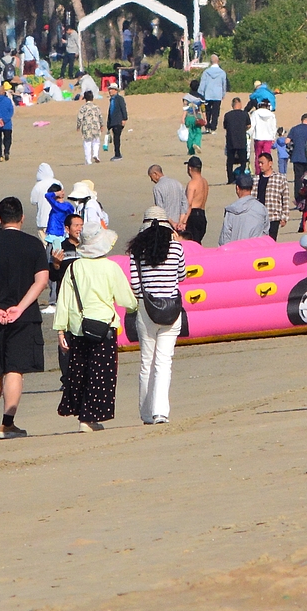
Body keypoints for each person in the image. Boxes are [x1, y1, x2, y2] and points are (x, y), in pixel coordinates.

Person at [0, 197, 50, 440]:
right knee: (14, 369)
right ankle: (8, 423)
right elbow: (42, 280)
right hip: (23, 316)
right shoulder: (33, 244)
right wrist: (20, 307)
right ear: (22, 218)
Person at [56, 223, 134, 431]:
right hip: (104, 326)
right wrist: (136, 306)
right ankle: (89, 417)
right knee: (101, 374)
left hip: (78, 327)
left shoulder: (74, 267)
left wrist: (60, 330)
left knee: (80, 372)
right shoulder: (111, 267)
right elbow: (127, 299)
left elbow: (64, 301)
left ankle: (83, 415)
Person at [126, 212, 186, 424]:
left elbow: (134, 284)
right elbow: (182, 275)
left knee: (146, 362)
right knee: (163, 361)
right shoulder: (177, 248)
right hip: (171, 308)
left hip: (146, 308)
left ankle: (145, 412)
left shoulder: (136, 251)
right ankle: (161, 411)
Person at [219, 168, 271, 243]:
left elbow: (224, 239)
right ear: (252, 188)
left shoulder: (231, 211)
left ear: (237, 188)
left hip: (235, 253)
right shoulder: (261, 208)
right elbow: (265, 235)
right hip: (256, 252)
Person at [253, 150, 293, 236]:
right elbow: (252, 197)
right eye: (259, 163)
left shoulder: (280, 178)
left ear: (270, 163)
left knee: (271, 242)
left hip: (273, 216)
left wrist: (284, 216)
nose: (260, 165)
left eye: (262, 163)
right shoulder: (256, 179)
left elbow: (285, 198)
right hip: (258, 216)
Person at [182, 156, 210, 243]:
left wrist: (184, 221)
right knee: (197, 242)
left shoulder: (192, 183)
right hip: (202, 215)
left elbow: (189, 203)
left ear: (190, 168)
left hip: (193, 215)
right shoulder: (205, 182)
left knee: (191, 244)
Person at [75, 92, 104, 165]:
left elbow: (80, 117)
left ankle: (88, 160)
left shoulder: (83, 107)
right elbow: (100, 116)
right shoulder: (96, 107)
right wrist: (101, 125)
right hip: (96, 126)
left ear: (85, 98)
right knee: (96, 141)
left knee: (87, 143)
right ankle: (95, 154)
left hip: (86, 127)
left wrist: (78, 126)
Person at [106, 85, 129, 160]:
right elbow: (110, 112)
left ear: (116, 90)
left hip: (118, 121)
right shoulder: (112, 100)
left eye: (112, 89)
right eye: (109, 89)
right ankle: (117, 154)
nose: (110, 91)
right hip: (113, 121)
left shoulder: (119, 98)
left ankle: (118, 154)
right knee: (115, 138)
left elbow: (123, 108)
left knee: (116, 138)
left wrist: (124, 119)